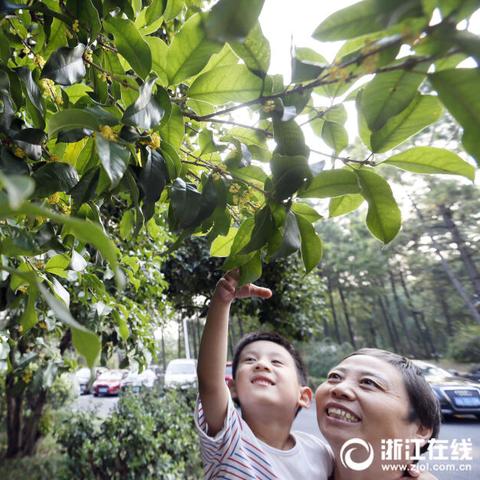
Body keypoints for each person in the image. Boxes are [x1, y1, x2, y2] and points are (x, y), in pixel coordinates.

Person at [195, 270, 334, 479]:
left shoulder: (320, 453)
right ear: (232, 388)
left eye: (276, 361)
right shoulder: (231, 439)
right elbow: (209, 383)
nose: (261, 364)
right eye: (250, 360)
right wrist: (221, 301)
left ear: (303, 396)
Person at [315, 348, 441, 479]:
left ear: (421, 431)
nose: (340, 388)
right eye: (335, 377)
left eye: (369, 382)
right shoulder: (299, 469)